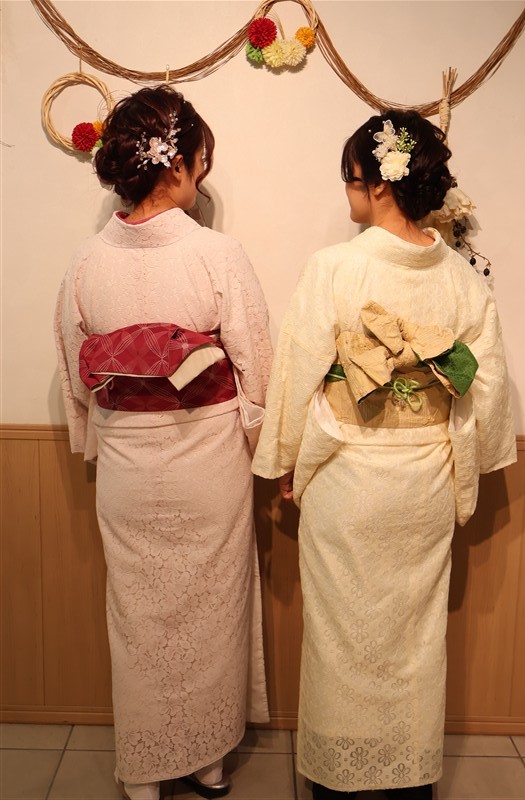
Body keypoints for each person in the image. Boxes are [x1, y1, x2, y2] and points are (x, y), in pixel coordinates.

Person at [252, 109, 516, 799]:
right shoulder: (459, 278)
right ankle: (406, 778)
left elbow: (298, 368)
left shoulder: (334, 267)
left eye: (349, 178)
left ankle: (337, 778)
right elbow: (485, 383)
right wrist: (473, 457)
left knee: (339, 634)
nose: (346, 192)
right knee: (414, 638)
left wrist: (284, 459)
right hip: (422, 481)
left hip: (347, 478)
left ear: (376, 183)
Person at [55, 86, 272, 800]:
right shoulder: (217, 254)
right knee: (212, 608)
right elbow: (256, 364)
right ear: (175, 163)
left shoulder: (86, 263)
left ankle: (145, 771)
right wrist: (260, 440)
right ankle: (206, 762)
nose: (204, 173)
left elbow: (77, 372)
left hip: (125, 460)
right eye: (201, 159)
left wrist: (94, 437)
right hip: (207, 456)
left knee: (138, 615)